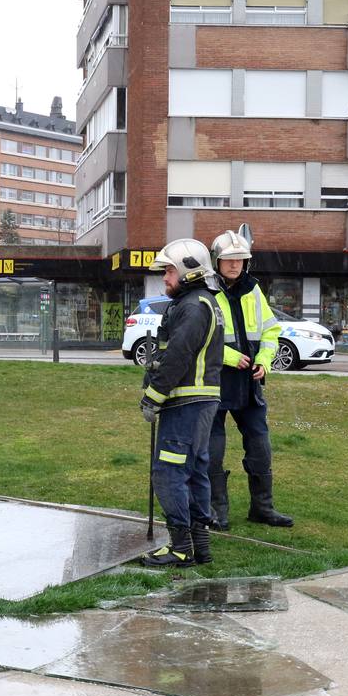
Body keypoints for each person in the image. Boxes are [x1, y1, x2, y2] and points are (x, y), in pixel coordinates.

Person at [137, 238, 224, 568]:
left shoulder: (192, 306)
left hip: (185, 404)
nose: (165, 278)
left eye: (170, 271)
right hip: (201, 404)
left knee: (168, 473)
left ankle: (180, 548)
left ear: (190, 271)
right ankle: (200, 547)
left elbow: (178, 356)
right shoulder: (201, 302)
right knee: (195, 471)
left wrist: (153, 396)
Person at [208, 228, 294, 528]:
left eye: (241, 259)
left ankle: (262, 508)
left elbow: (270, 330)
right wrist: (230, 357)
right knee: (212, 451)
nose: (235, 265)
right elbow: (197, 340)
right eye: (228, 259)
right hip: (215, 382)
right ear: (215, 260)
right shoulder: (204, 292)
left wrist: (264, 361)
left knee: (260, 448)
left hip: (249, 384)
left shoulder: (253, 290)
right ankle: (216, 512)